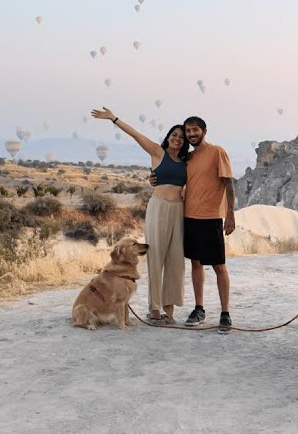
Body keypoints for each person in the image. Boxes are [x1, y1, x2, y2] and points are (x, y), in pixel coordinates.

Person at [91, 106, 188, 325]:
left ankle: (169, 312)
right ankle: (154, 311)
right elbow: (135, 135)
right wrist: (113, 118)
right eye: (174, 135)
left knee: (176, 262)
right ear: (168, 137)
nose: (177, 139)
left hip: (178, 210)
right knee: (155, 259)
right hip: (159, 207)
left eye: (181, 138)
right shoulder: (157, 152)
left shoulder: (186, 162)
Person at [179, 115, 235, 332]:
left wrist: (230, 214)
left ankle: (225, 313)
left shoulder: (217, 152)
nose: (191, 134)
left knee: (219, 266)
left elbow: (228, 184)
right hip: (189, 217)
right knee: (195, 263)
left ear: (204, 131)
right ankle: (199, 308)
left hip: (211, 218)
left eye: (195, 130)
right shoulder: (188, 158)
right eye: (188, 131)